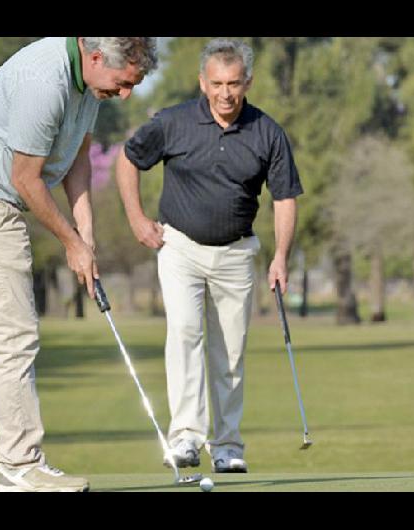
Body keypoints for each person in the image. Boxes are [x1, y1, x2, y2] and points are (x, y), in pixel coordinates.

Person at [0, 37, 158, 492]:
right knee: (15, 338)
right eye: (123, 84)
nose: (126, 95)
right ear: (94, 58)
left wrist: (86, 232)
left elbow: (77, 159)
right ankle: (20, 463)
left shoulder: (89, 86)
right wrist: (69, 241)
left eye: (133, 86)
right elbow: (25, 179)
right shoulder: (42, 81)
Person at [115, 39, 302, 473]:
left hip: (237, 253)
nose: (225, 93)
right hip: (179, 247)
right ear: (203, 82)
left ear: (247, 82)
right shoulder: (173, 122)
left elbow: (285, 198)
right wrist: (137, 219)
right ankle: (184, 438)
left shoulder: (267, 131)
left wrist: (281, 258)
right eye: (216, 83)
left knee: (230, 352)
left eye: (234, 83)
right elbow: (128, 161)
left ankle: (228, 445)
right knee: (183, 333)